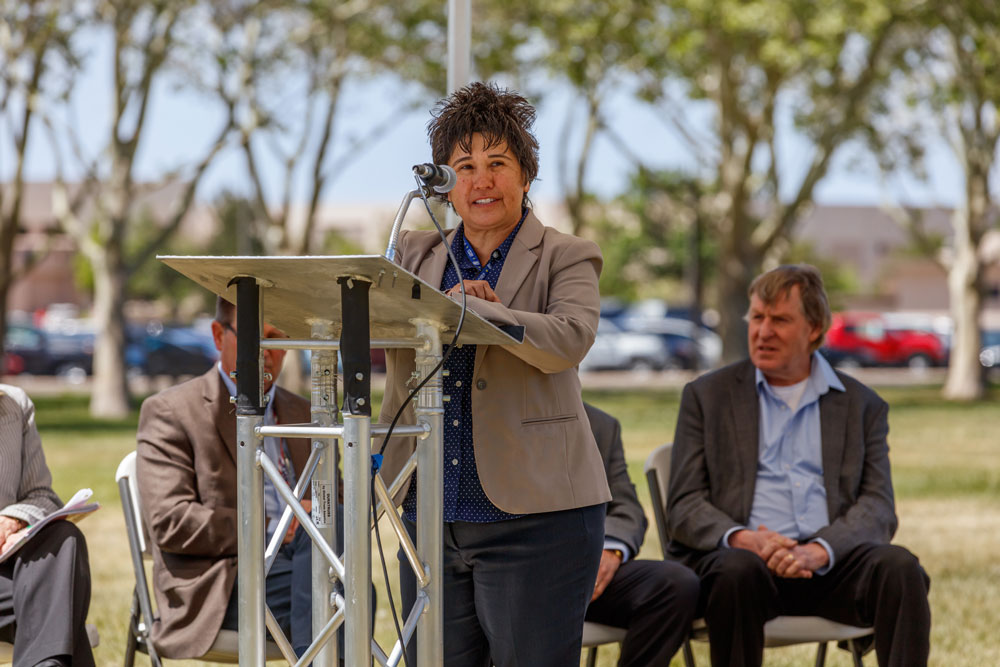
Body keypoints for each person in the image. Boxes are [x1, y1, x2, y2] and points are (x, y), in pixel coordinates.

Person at [382, 81, 611, 666]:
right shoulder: (412, 253)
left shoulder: (568, 254)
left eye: (497, 164)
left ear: (526, 176)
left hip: (537, 519)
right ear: (444, 183)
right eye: (464, 166)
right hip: (428, 514)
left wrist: (482, 311)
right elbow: (375, 332)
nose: (480, 180)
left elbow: (569, 339)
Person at [666, 264, 931, 667]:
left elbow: (877, 505)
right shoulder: (708, 397)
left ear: (814, 328)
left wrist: (818, 551)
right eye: (757, 317)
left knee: (900, 567)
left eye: (780, 320)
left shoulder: (862, 405)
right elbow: (684, 504)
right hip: (744, 567)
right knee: (735, 572)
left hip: (830, 566)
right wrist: (744, 538)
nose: (763, 331)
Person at [135, 297, 314, 658]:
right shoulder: (171, 412)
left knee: (339, 577)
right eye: (253, 338)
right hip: (221, 584)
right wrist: (271, 525)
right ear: (219, 335)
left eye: (276, 338)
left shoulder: (303, 412)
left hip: (301, 566)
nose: (265, 352)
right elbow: (170, 522)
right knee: (336, 593)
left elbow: (339, 497)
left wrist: (318, 510)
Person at [583, 403, 699, 666]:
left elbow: (626, 509)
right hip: (508, 575)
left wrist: (610, 550)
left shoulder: (599, 424)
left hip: (583, 577)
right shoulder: (484, 418)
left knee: (674, 584)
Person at [0, 384, 95, 667]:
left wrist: (12, 518)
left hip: (8, 571)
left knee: (65, 537)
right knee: (57, 600)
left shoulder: (13, 405)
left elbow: (41, 495)